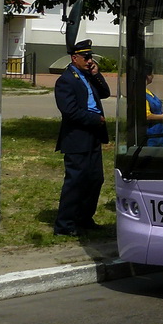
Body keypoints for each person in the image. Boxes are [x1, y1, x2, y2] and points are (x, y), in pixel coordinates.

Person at [53, 39, 111, 237]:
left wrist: (97, 74)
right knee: (76, 181)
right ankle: (64, 224)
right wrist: (94, 119)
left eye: (90, 57)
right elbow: (69, 111)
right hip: (77, 136)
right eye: (85, 57)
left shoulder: (87, 76)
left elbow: (105, 93)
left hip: (93, 135)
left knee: (95, 179)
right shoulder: (66, 80)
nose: (89, 61)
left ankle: (84, 218)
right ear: (74, 58)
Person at [145, 63, 163, 146]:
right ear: (147, 76)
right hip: (151, 135)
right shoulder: (141, 94)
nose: (153, 76)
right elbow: (146, 115)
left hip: (160, 134)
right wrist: (162, 117)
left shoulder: (148, 92)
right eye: (151, 73)